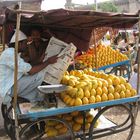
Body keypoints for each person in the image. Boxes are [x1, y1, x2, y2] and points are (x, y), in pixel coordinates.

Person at [0, 30, 58, 105]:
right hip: (9, 88)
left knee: (36, 95)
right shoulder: (10, 54)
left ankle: (31, 102)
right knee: (40, 74)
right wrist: (48, 62)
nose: (27, 45)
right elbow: (31, 71)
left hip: (12, 84)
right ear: (19, 43)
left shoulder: (13, 53)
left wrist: (41, 61)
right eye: (25, 43)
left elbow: (28, 67)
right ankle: (18, 96)